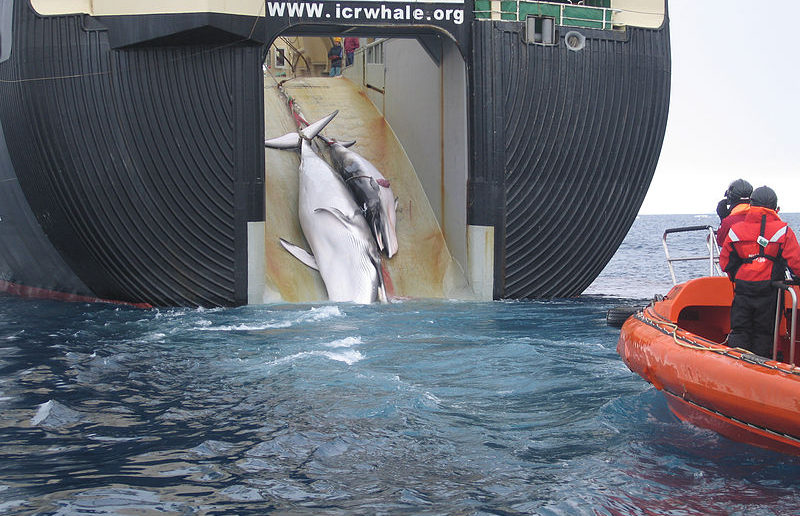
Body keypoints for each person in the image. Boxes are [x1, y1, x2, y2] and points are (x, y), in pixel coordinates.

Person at [719, 186, 800, 357]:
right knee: (764, 333)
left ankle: (735, 368)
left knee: (740, 330)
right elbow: (796, 263)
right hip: (770, 291)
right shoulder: (783, 230)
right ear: (775, 206)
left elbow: (725, 262)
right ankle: (761, 372)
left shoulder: (736, 230)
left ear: (752, 204)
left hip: (743, 290)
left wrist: (739, 275)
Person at [715, 178, 752, 247]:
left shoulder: (728, 222)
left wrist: (723, 219)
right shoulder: (762, 217)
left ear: (730, 198)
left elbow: (721, 242)